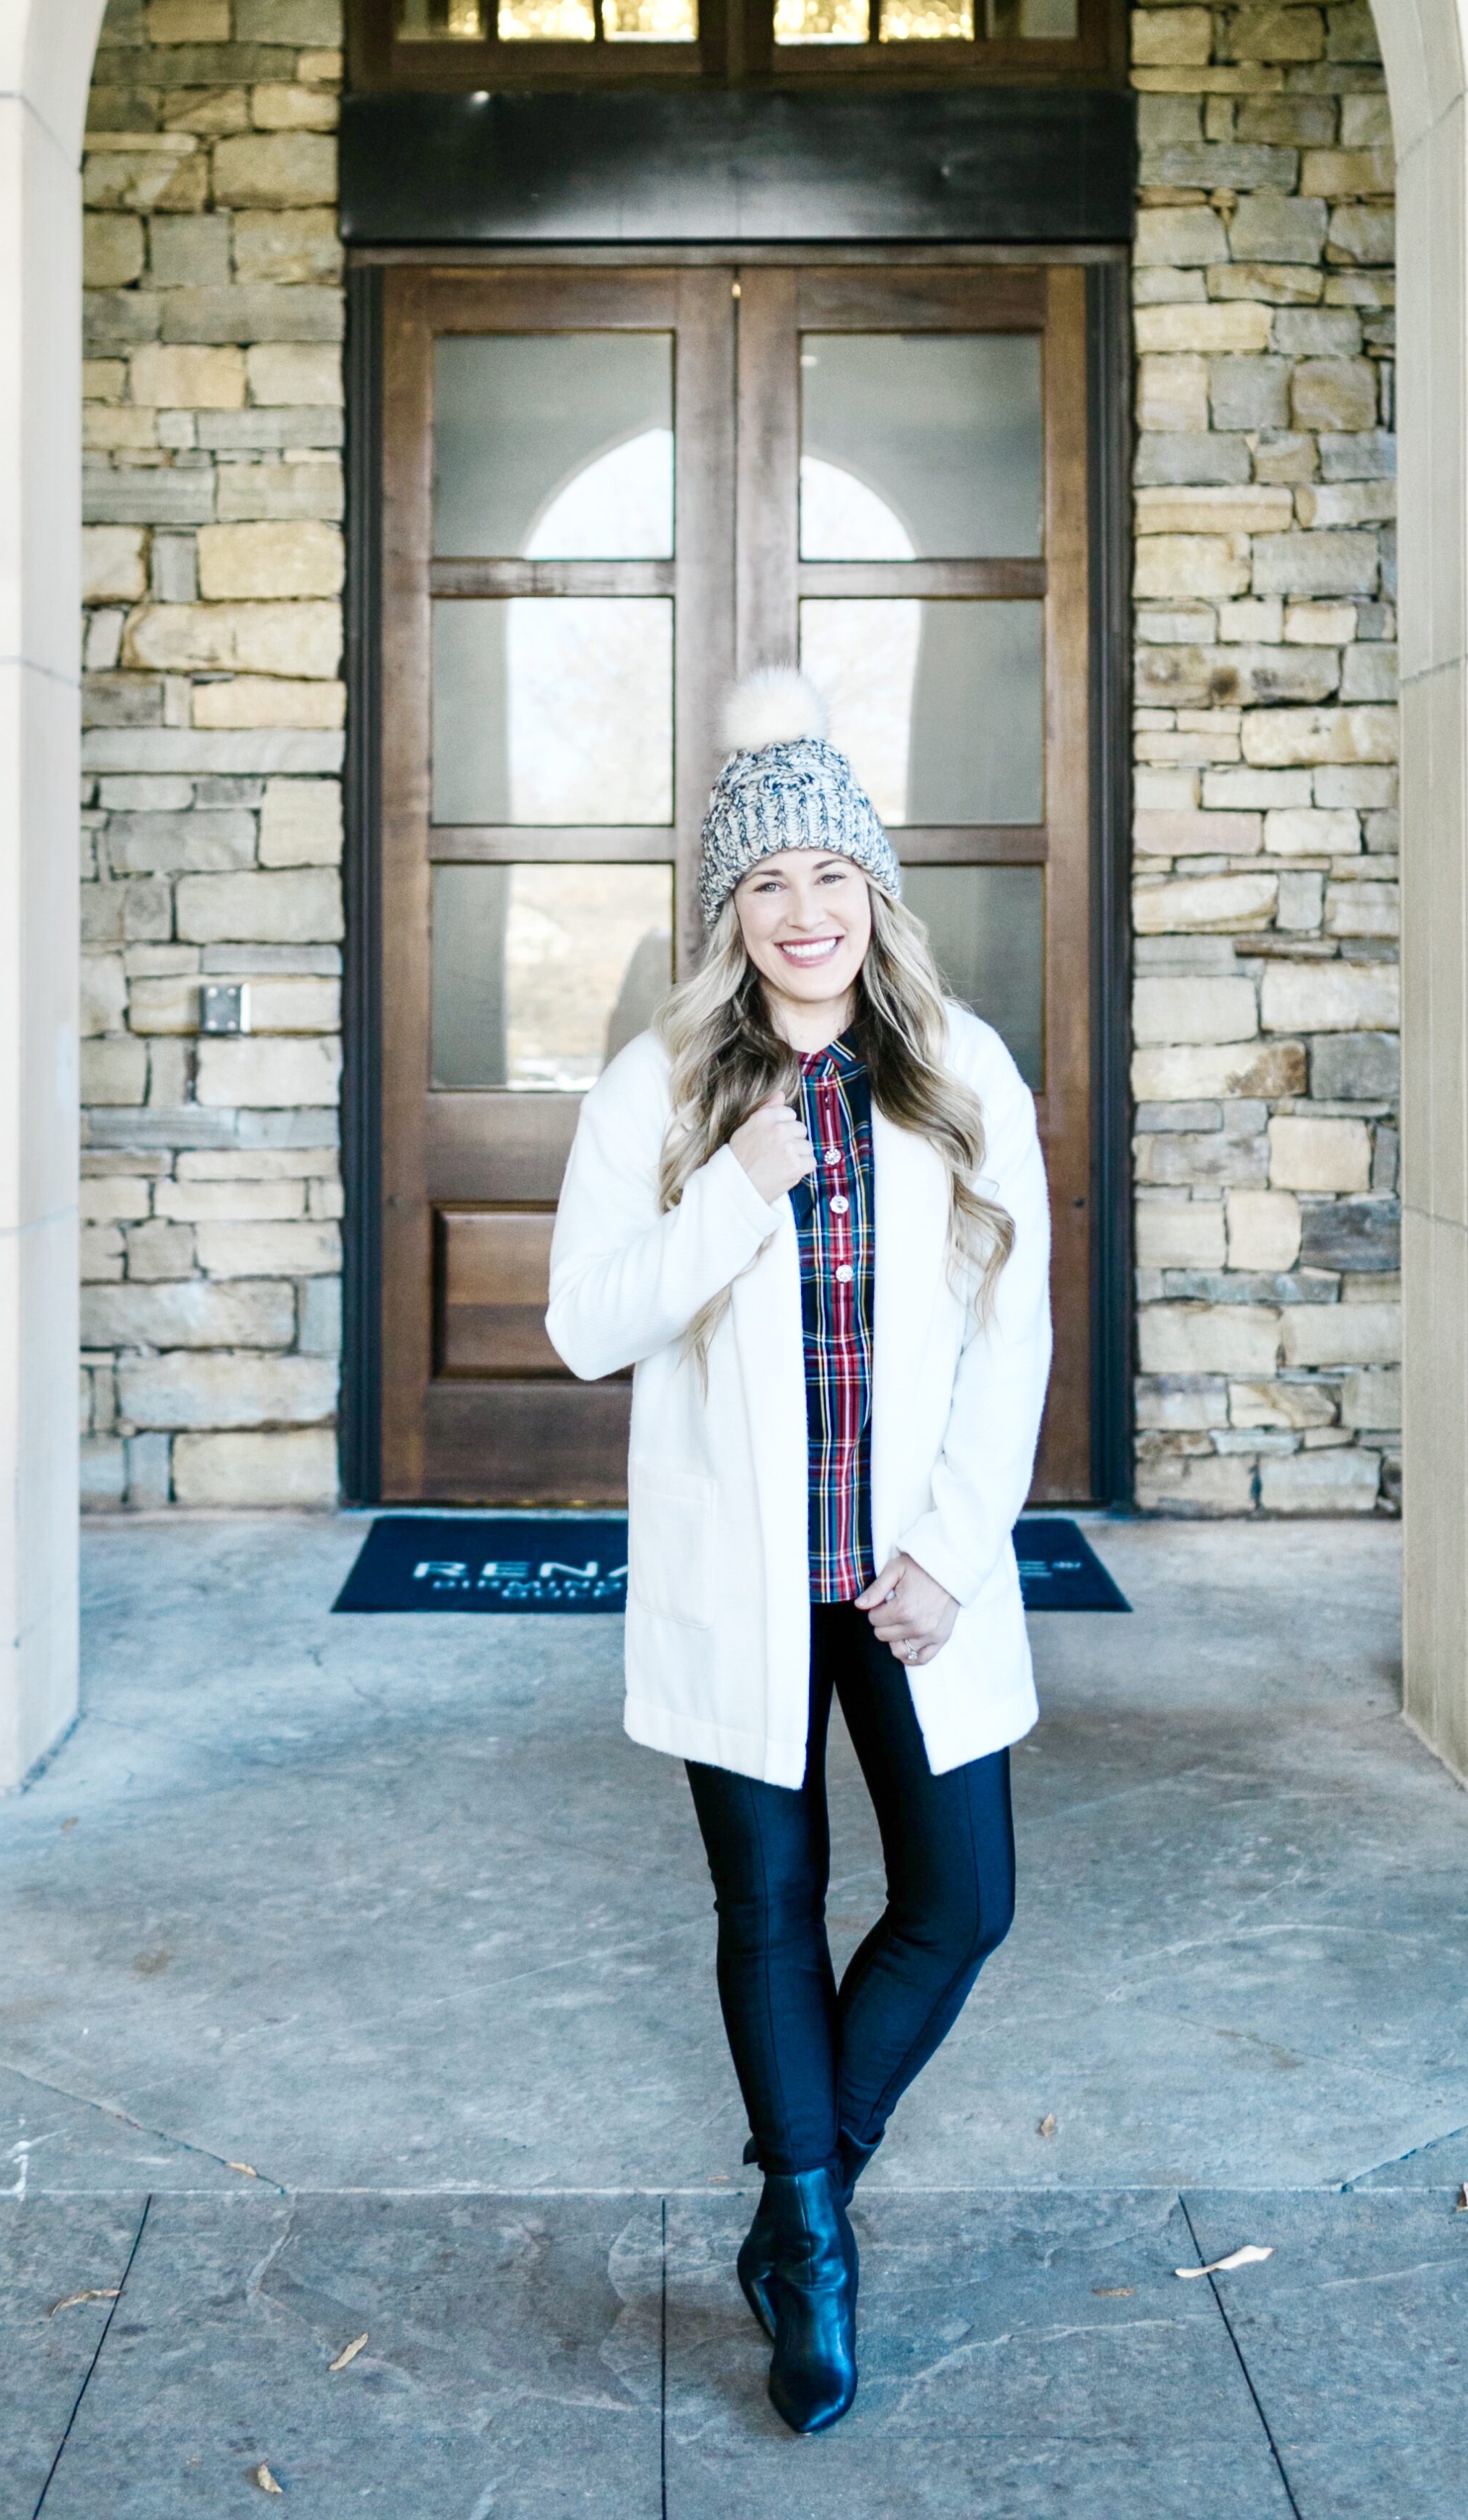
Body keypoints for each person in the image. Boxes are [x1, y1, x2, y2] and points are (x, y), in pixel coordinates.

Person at [545, 669, 1052, 2436]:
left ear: (874, 894)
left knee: (959, 1899)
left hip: (904, 1578)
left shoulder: (958, 1070)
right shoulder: (661, 1085)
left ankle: (790, 2188)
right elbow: (587, 1324)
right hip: (742, 1574)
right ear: (727, 912)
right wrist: (733, 1187)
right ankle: (820, 2255)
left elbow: (1018, 1333)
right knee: (765, 1904)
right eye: (767, 881)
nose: (805, 909)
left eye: (832, 872)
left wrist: (950, 1547)